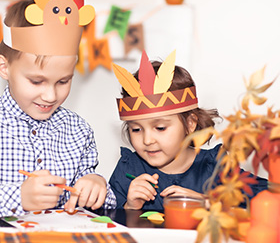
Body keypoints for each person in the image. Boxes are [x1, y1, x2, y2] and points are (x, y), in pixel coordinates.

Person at [0, 0, 116, 217]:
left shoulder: (78, 131)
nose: (51, 95)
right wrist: (19, 197)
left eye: (63, 81)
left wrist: (96, 185)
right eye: (36, 81)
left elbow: (102, 202)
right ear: (4, 68)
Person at [109, 50, 267, 210]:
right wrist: (130, 207)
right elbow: (104, 223)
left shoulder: (215, 169)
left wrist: (208, 203)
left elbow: (270, 197)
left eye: (160, 128)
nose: (147, 140)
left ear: (190, 124)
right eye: (136, 129)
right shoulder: (128, 169)